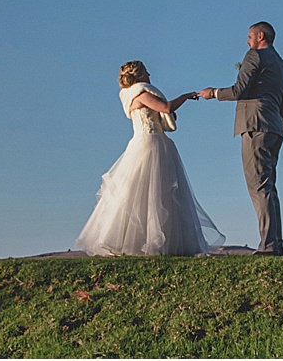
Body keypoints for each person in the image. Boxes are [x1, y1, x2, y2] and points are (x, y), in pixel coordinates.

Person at [75, 61, 225, 256]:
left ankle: (167, 242)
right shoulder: (140, 93)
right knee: (143, 193)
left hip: (157, 142)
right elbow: (166, 107)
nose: (149, 74)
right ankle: (137, 242)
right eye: (146, 71)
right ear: (139, 75)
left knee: (162, 194)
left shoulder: (136, 93)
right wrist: (187, 96)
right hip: (149, 143)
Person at [199, 21, 283, 255]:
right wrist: (278, 123)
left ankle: (269, 246)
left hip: (255, 125)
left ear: (260, 36)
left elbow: (240, 89)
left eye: (250, 37)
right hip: (275, 127)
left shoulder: (254, 56)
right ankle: (275, 243)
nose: (248, 41)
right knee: (269, 187)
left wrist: (214, 94)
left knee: (258, 186)